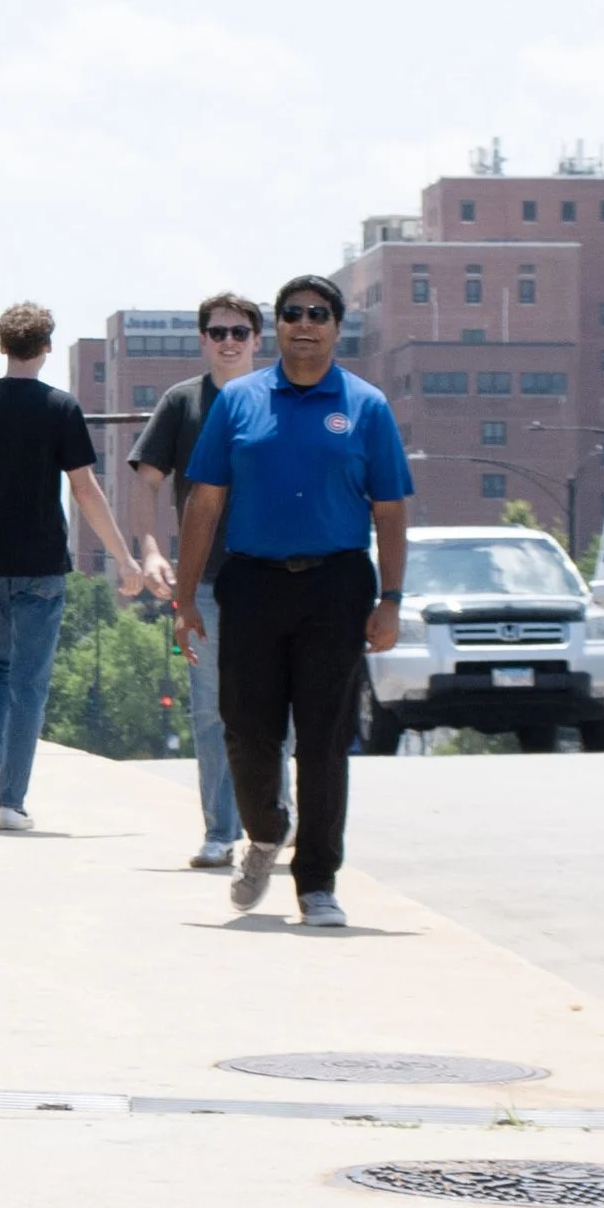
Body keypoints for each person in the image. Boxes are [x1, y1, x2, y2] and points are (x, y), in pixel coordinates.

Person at [173, 273, 411, 930]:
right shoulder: (240, 402)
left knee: (325, 740)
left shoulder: (367, 408)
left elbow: (390, 511)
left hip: (336, 586)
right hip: (250, 583)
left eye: (318, 314)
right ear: (276, 327)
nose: (304, 324)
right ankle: (265, 826)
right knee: (245, 727)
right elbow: (205, 501)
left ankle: (318, 884)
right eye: (292, 314)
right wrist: (185, 594)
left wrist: (390, 599)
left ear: (337, 328)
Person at [0, 303, 144, 831]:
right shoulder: (60, 407)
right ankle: (12, 801)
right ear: (46, 348)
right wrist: (123, 556)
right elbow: (85, 489)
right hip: (41, 561)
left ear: (1, 345)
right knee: (30, 681)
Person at [130, 293, 291, 869]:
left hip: (278, 578)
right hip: (205, 583)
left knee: (276, 706)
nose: (229, 341)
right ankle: (221, 831)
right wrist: (150, 551)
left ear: (257, 339)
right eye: (218, 332)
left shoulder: (283, 396)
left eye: (240, 332)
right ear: (203, 340)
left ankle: (274, 811)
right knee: (211, 709)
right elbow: (146, 482)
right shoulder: (182, 403)